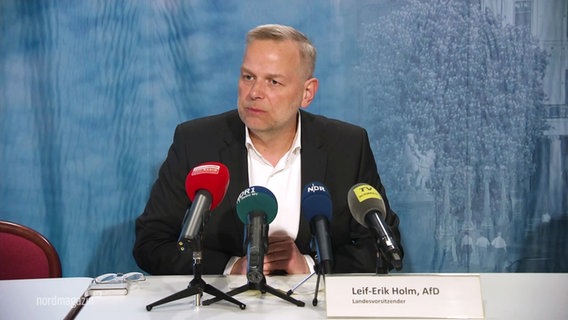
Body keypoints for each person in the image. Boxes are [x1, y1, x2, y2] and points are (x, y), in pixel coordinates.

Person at [133, 24, 403, 276]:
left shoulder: (347, 146)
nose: (254, 92)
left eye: (273, 82)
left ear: (307, 93)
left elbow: (383, 247)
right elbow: (151, 244)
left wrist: (309, 265)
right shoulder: (195, 142)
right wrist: (231, 268)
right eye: (248, 76)